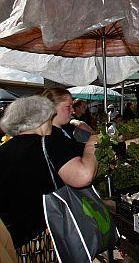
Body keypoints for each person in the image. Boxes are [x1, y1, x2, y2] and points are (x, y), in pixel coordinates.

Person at [0, 96, 97, 254]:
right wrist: (92, 145)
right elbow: (83, 176)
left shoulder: (4, 149)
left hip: (17, 241)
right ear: (43, 117)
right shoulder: (48, 142)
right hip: (50, 235)